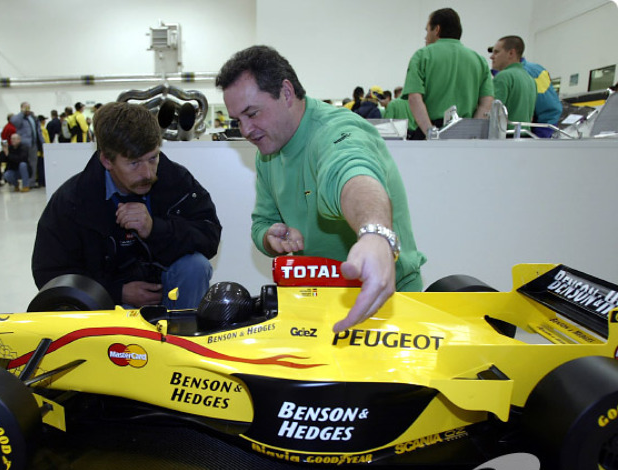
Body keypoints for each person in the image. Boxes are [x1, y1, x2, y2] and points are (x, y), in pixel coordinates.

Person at [216, 45, 425, 332]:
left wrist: (375, 234)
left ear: (286, 93)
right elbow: (261, 223)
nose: (247, 130)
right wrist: (270, 236)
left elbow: (354, 174)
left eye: (252, 113)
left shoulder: (335, 131)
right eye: (238, 120)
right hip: (316, 304)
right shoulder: (268, 152)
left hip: (385, 302)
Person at [32, 101, 221, 309]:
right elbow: (50, 273)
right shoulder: (72, 201)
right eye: (134, 163)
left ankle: (183, 336)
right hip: (108, 304)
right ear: (106, 160)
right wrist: (116, 292)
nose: (148, 174)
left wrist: (154, 228)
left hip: (170, 295)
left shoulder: (176, 180)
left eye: (153, 158)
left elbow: (209, 236)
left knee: (195, 267)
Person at [403, 8, 494, 140]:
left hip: (429, 131)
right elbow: (487, 102)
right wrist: (472, 133)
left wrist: (430, 133)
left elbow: (414, 98)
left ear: (437, 29)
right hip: (465, 135)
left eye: (427, 30)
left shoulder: (422, 56)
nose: (425, 36)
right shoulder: (479, 60)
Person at [489, 36, 537, 126]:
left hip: (504, 137)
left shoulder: (503, 77)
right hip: (524, 136)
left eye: (496, 52)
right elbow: (530, 117)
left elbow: (492, 115)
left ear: (511, 53)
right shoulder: (531, 80)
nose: (491, 57)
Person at [10, 102, 44, 186]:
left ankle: (32, 182)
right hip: (24, 145)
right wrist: (22, 113)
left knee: (33, 163)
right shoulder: (19, 118)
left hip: (34, 144)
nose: (27, 109)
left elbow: (38, 131)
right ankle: (25, 182)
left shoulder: (33, 118)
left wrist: (42, 142)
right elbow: (15, 122)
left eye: (28, 107)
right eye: (25, 107)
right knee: (25, 164)